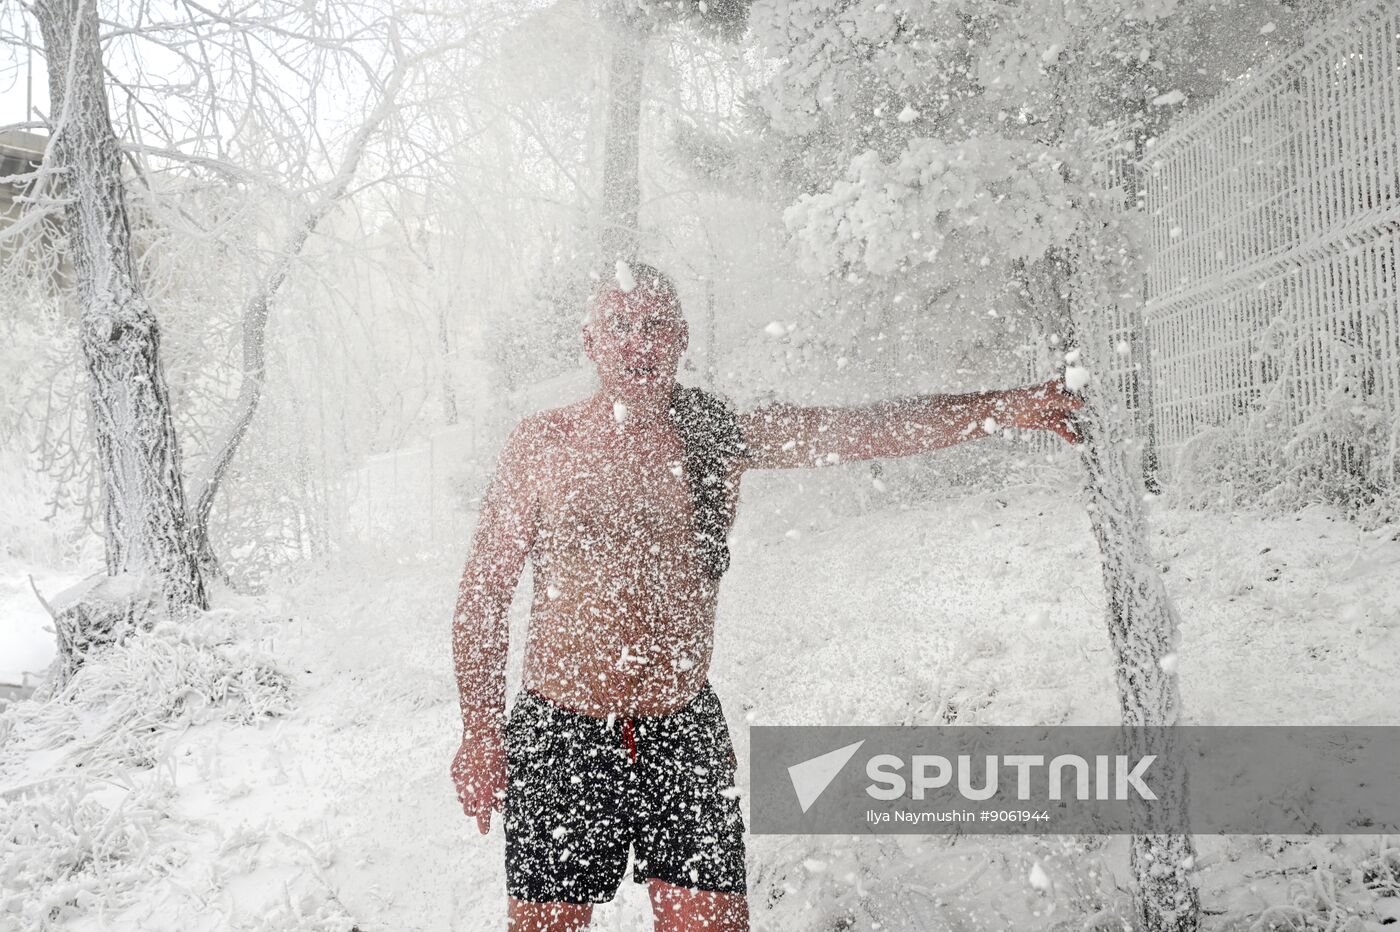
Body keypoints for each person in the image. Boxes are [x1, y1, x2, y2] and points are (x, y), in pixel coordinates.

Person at [450, 262, 1084, 932]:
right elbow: (483, 597)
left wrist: (1002, 407)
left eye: (657, 324)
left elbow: (860, 430)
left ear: (682, 338)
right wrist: (480, 731)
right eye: (619, 325)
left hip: (680, 730)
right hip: (562, 732)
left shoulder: (714, 438)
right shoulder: (542, 446)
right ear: (589, 341)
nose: (639, 340)